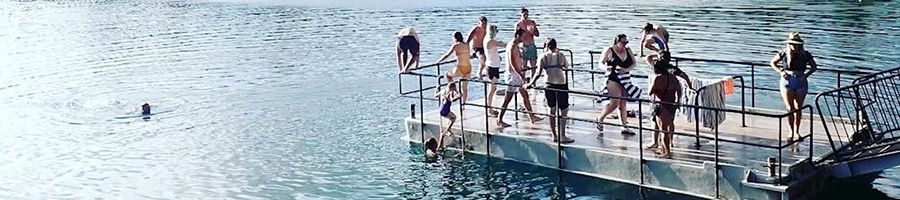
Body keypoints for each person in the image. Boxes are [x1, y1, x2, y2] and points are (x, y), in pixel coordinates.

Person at [769, 32, 817, 142]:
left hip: (801, 81)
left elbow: (814, 67)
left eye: (796, 44)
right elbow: (772, 63)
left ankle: (797, 131)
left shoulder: (805, 54)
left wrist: (806, 75)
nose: (794, 46)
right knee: (790, 108)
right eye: (792, 44)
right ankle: (791, 131)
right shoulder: (784, 53)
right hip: (787, 81)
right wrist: (781, 71)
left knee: (799, 107)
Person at [525, 38, 574, 143]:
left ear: (545, 46)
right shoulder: (560, 55)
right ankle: (563, 135)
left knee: (551, 110)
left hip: (549, 84)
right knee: (564, 110)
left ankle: (554, 135)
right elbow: (566, 67)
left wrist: (530, 83)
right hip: (561, 84)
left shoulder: (543, 57)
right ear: (556, 45)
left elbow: (537, 73)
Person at [644, 51, 691, 150]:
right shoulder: (673, 73)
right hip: (671, 102)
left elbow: (650, 92)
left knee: (659, 125)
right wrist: (690, 88)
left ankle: (660, 146)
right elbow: (683, 81)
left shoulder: (658, 73)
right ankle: (670, 142)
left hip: (660, 103)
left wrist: (656, 53)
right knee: (669, 123)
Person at [497, 29, 543, 127]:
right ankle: (499, 119)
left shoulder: (516, 46)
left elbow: (517, 59)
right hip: (513, 75)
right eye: (523, 36)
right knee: (507, 98)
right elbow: (512, 62)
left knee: (525, 95)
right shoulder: (512, 46)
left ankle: (532, 116)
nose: (524, 39)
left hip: (517, 74)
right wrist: (520, 74)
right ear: (518, 35)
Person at [596, 34, 637, 135]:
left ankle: (624, 126)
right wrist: (607, 68)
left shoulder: (628, 50)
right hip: (613, 78)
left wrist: (626, 69)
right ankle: (600, 118)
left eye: (626, 42)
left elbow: (634, 63)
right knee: (615, 102)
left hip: (625, 78)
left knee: (623, 104)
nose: (624, 44)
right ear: (617, 42)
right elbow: (600, 63)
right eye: (623, 42)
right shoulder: (609, 50)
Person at [648, 51, 683, 158]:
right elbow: (679, 90)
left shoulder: (658, 78)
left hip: (661, 105)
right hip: (671, 104)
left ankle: (667, 152)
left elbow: (650, 92)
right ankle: (666, 147)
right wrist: (678, 101)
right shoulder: (673, 77)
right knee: (669, 125)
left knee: (663, 130)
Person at [435, 31, 473, 105]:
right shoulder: (466, 44)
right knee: (464, 88)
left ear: (455, 38)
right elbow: (467, 55)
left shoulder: (455, 45)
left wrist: (438, 61)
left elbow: (447, 55)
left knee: (447, 74)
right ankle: (463, 104)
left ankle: (455, 92)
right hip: (468, 68)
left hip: (460, 68)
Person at [481, 25, 505, 117]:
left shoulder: (489, 40)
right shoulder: (490, 41)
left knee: (493, 88)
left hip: (493, 65)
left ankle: (490, 107)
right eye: (496, 31)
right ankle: (489, 108)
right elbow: (503, 44)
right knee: (492, 89)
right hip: (491, 67)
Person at [435, 82, 461, 150]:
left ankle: (448, 130)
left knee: (450, 118)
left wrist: (437, 88)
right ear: (452, 88)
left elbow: (435, 95)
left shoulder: (443, 91)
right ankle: (448, 129)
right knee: (454, 117)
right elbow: (452, 100)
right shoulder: (450, 93)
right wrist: (458, 95)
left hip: (440, 110)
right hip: (446, 111)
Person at [515, 7, 540, 76]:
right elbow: (515, 39)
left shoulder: (532, 23)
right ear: (521, 15)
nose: (526, 16)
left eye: (527, 14)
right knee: (523, 67)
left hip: (531, 46)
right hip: (523, 47)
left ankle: (533, 83)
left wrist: (533, 31)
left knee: (533, 67)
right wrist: (522, 37)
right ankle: (523, 82)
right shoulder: (518, 24)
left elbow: (538, 34)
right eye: (524, 15)